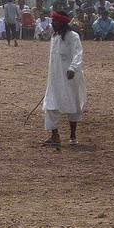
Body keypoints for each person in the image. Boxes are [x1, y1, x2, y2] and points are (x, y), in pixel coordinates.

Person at [42, 11, 87, 146]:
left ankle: (73, 135)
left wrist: (73, 68)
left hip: (69, 76)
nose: (53, 24)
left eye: (56, 21)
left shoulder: (73, 37)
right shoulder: (54, 37)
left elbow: (78, 53)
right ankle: (54, 135)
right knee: (50, 104)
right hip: (55, 77)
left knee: (72, 104)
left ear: (63, 23)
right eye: (53, 21)